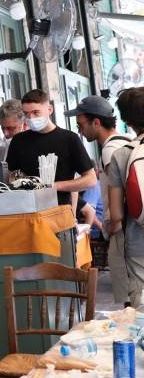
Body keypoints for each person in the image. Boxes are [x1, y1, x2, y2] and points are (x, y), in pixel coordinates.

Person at [66, 94, 134, 305]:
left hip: (124, 232)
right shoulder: (128, 141)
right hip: (132, 229)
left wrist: (112, 225)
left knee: (131, 301)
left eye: (81, 124)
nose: (79, 130)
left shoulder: (110, 151)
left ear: (96, 122)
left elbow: (119, 193)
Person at [5, 89, 96, 207]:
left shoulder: (69, 139)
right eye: (26, 114)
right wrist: (20, 181)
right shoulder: (18, 141)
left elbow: (90, 179)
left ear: (49, 110)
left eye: (36, 112)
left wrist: (54, 186)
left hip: (59, 213)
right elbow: (9, 175)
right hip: (28, 211)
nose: (31, 118)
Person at [105, 87, 144, 308]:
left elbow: (117, 214)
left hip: (138, 242)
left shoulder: (122, 154)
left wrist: (109, 228)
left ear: (127, 121)